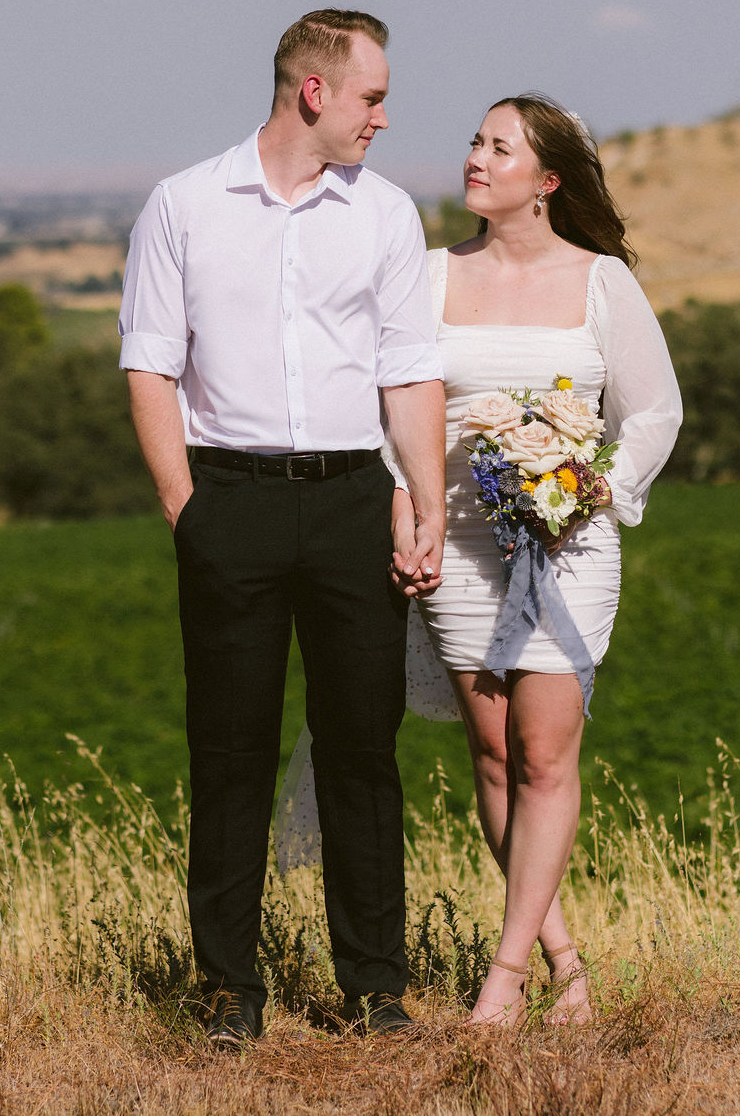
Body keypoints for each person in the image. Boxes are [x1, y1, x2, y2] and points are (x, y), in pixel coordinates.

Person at [275, 93, 682, 1026]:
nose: (476, 158)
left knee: (545, 755)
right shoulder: (427, 275)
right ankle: (564, 961)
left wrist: (594, 486)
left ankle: (503, 976)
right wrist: (407, 512)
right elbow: (391, 409)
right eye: (475, 142)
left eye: (500, 148)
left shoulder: (602, 284)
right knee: (494, 757)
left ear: (547, 181)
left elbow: (655, 411)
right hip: (456, 545)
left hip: (569, 549)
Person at [119, 9, 448, 1046]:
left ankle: (375, 988)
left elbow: (408, 370)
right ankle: (228, 990)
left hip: (356, 503)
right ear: (314, 91)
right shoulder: (184, 204)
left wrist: (425, 502)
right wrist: (188, 510)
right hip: (232, 503)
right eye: (371, 98)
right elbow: (149, 363)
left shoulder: (385, 213)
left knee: (363, 751)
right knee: (229, 752)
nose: (381, 118)